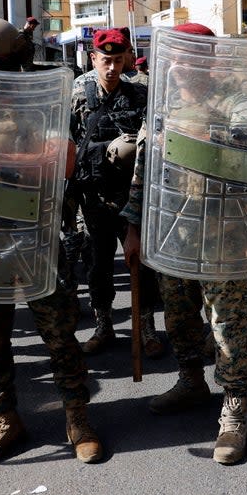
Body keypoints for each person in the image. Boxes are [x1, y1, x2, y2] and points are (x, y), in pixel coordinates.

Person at [0, 18, 103, 465]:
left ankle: (77, 418)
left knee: (59, 335)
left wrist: (1, 161)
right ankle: (5, 419)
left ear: (16, 60)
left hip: (34, 235)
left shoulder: (41, 101)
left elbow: (66, 161)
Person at [122, 22, 247, 465]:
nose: (179, 66)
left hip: (226, 234)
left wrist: (191, 138)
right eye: (175, 57)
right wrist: (133, 227)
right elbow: (144, 171)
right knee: (179, 316)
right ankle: (190, 378)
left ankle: (234, 406)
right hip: (172, 233)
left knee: (228, 325)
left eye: (189, 56)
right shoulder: (161, 104)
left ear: (209, 59)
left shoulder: (237, 101)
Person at [69, 28, 161, 357]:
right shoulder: (77, 94)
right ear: (93, 59)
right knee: (97, 263)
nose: (111, 68)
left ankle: (147, 327)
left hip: (130, 194)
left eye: (118, 61)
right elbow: (67, 145)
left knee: (141, 262)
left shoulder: (139, 94)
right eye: (105, 60)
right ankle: (103, 325)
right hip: (92, 195)